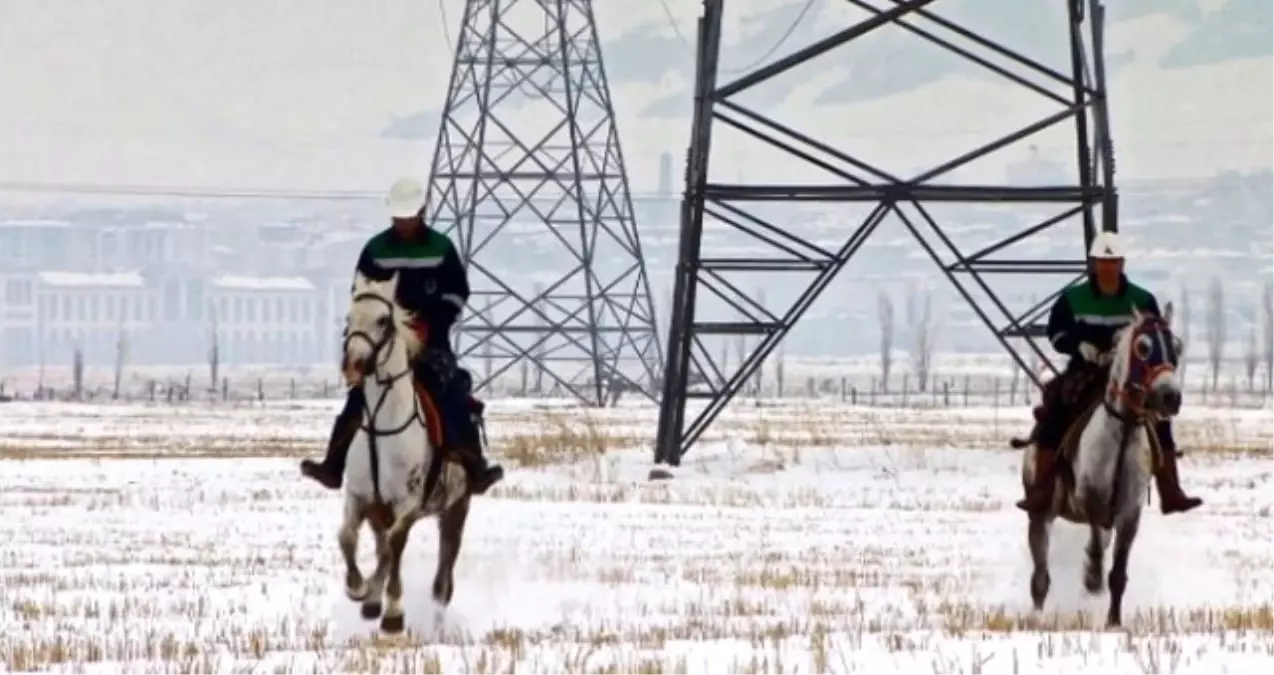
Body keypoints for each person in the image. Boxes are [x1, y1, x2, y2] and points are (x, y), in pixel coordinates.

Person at [299, 176, 505, 495]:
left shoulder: (441, 248)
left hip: (430, 342)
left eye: (409, 216)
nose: (404, 223)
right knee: (358, 400)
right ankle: (333, 465)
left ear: (421, 212)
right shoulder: (376, 250)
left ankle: (474, 465)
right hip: (385, 344)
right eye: (399, 217)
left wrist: (432, 324)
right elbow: (363, 296)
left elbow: (456, 293)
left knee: (450, 394)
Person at [1017, 230, 1202, 516]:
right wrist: (1079, 346)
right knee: (1054, 414)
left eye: (1113, 261)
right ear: (1093, 264)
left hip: (1130, 374)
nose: (1108, 267)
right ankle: (1042, 489)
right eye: (1103, 262)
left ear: (1122, 263)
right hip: (1084, 369)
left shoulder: (1142, 300)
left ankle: (1171, 491)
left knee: (1160, 421)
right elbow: (1056, 332)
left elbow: (1156, 339)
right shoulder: (1071, 299)